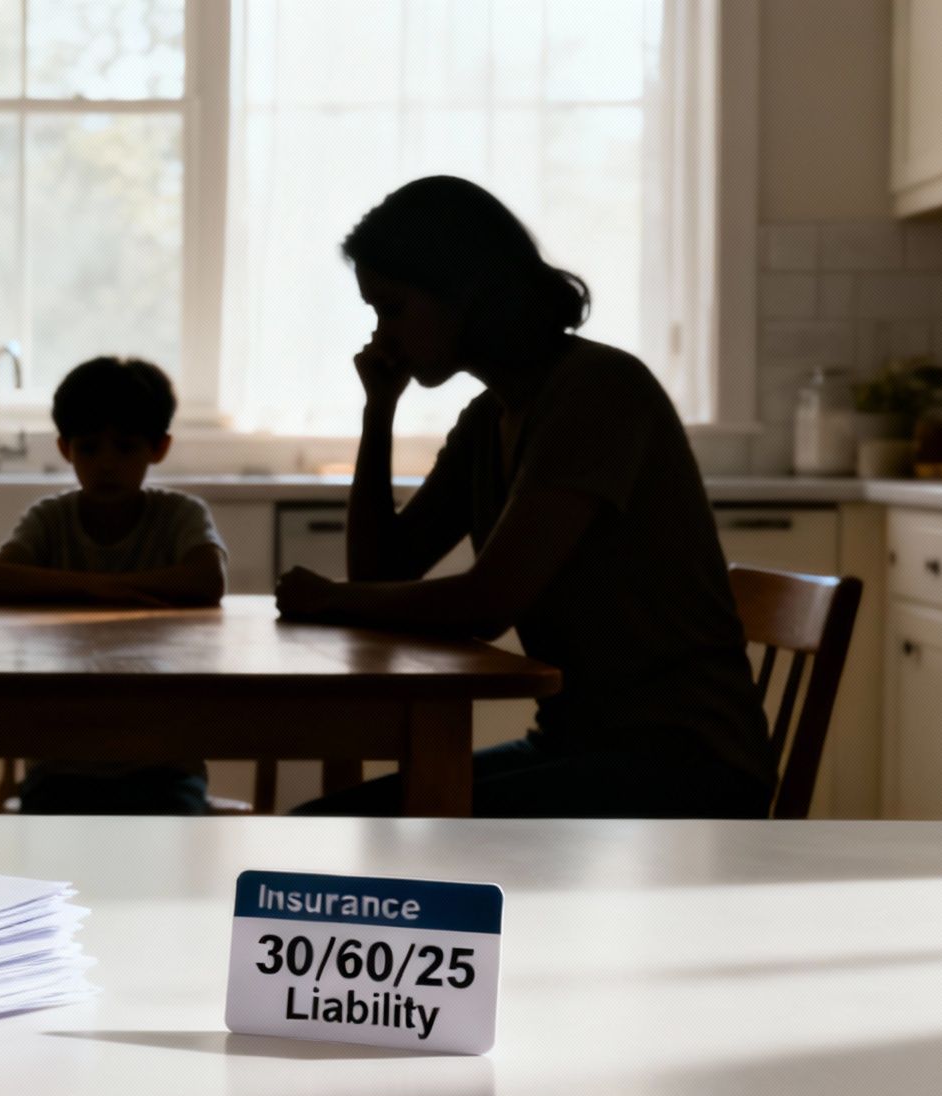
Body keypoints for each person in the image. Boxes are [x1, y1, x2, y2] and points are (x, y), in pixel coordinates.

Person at [274, 175, 773, 818]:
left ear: (464, 293)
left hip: (686, 765)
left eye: (392, 309)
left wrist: (330, 600)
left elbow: (488, 600)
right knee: (326, 829)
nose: (382, 336)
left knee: (332, 832)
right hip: (582, 746)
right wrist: (379, 413)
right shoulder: (491, 418)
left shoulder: (598, 393)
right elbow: (381, 571)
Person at [0, 356, 227, 814]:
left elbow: (207, 578)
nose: (106, 464)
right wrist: (102, 588)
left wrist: (90, 587)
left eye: (125, 447)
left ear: (159, 447)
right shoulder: (51, 517)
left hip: (164, 758)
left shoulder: (178, 514)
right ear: (65, 448)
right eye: (89, 448)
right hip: (61, 758)